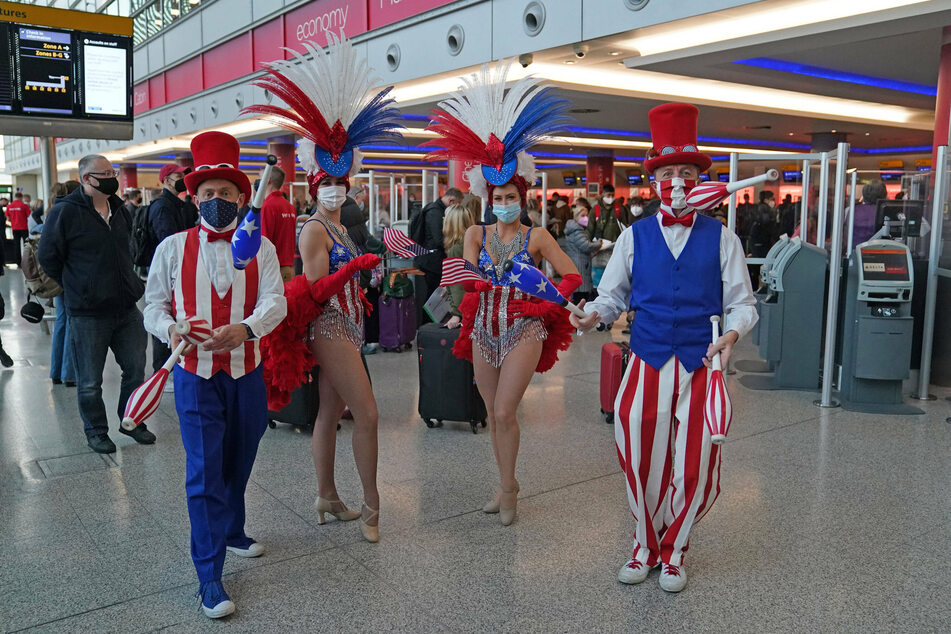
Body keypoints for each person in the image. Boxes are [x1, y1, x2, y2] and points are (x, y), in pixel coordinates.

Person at [572, 103, 757, 593]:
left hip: (701, 366)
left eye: (687, 172)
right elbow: (610, 298)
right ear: (654, 182)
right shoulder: (633, 237)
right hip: (647, 363)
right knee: (638, 459)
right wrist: (593, 314)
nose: (677, 181)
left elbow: (743, 304)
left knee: (693, 463)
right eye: (668, 172)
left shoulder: (723, 239)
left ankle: (674, 551)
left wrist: (732, 335)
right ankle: (643, 544)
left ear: (700, 179)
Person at [244, 33, 402, 544]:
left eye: (342, 182)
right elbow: (314, 287)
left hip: (350, 325)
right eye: (326, 184)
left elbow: (350, 276)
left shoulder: (339, 227)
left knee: (331, 412)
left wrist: (373, 269)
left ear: (349, 183)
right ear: (315, 186)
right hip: (330, 326)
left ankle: (327, 496)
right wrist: (353, 267)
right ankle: (373, 505)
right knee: (369, 413)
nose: (335, 189)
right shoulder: (314, 228)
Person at [425, 60, 581, 526]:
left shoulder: (537, 238)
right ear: (487, 198)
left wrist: (542, 294)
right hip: (481, 329)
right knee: (492, 412)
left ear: (523, 196)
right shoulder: (475, 233)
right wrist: (461, 294)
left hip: (523, 328)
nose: (503, 202)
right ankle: (504, 483)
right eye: (497, 196)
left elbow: (572, 277)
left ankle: (510, 488)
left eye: (511, 195)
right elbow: (466, 281)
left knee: (508, 409)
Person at [143, 131, 286, 619]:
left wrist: (247, 328)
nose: (217, 201)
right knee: (204, 471)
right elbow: (152, 307)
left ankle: (233, 529)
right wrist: (171, 327)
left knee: (241, 457)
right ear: (194, 197)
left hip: (248, 370)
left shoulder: (260, 247)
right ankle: (209, 575)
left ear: (242, 198)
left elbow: (276, 300)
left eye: (226, 193)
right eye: (208, 194)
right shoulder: (171, 248)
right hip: (194, 373)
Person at [38, 155, 150, 455]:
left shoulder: (119, 209)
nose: (113, 178)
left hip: (126, 308)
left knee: (136, 370)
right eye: (106, 174)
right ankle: (97, 431)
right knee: (89, 381)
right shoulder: (65, 212)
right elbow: (48, 257)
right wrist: (78, 285)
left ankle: (132, 421)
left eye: (113, 172)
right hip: (88, 313)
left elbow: (128, 249)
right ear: (87, 179)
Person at [416, 187, 463, 321]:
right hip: (432, 262)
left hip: (431, 260)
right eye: (458, 203)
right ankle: (428, 324)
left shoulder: (434, 210)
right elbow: (438, 239)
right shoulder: (435, 212)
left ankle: (431, 323)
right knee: (433, 296)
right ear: (451, 200)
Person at [259, 165, 298, 282]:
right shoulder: (290, 207)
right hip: (290, 267)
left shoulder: (267, 206)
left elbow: (264, 240)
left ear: (268, 180)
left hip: (273, 269)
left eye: (260, 178)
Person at [442, 204, 474, 329]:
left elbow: (458, 286)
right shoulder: (472, 243)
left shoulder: (455, 249)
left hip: (465, 312)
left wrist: (456, 314)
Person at [563, 203, 602, 304]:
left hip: (577, 263)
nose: (586, 218)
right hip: (580, 265)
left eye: (587, 215)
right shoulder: (577, 231)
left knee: (578, 294)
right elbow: (586, 246)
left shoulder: (575, 229)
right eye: (583, 216)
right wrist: (598, 244)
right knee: (580, 295)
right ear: (576, 217)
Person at [852, 180, 887, 247]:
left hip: (854, 251)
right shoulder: (886, 212)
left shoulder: (851, 210)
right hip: (879, 251)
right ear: (884, 194)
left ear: (864, 193)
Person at [6, 192, 30, 262]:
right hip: (24, 228)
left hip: (15, 228)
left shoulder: (9, 206)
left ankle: (18, 262)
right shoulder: (24, 205)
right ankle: (27, 261)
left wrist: (14, 220)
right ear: (21, 197)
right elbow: (29, 216)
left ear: (15, 197)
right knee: (26, 245)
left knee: (16, 245)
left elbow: (8, 218)